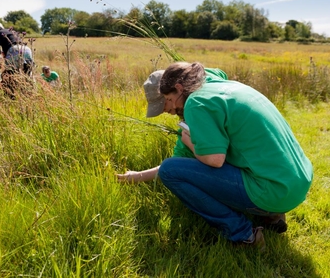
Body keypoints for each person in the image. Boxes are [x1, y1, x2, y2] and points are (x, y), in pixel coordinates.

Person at [118, 62, 313, 249]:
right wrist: (137, 177)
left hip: (273, 190)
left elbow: (212, 160)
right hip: (296, 182)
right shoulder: (219, 89)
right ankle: (272, 214)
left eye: (166, 101)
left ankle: (244, 234)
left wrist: (191, 144)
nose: (167, 111)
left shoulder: (197, 103)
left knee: (171, 170)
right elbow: (182, 164)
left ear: (179, 88)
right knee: (174, 167)